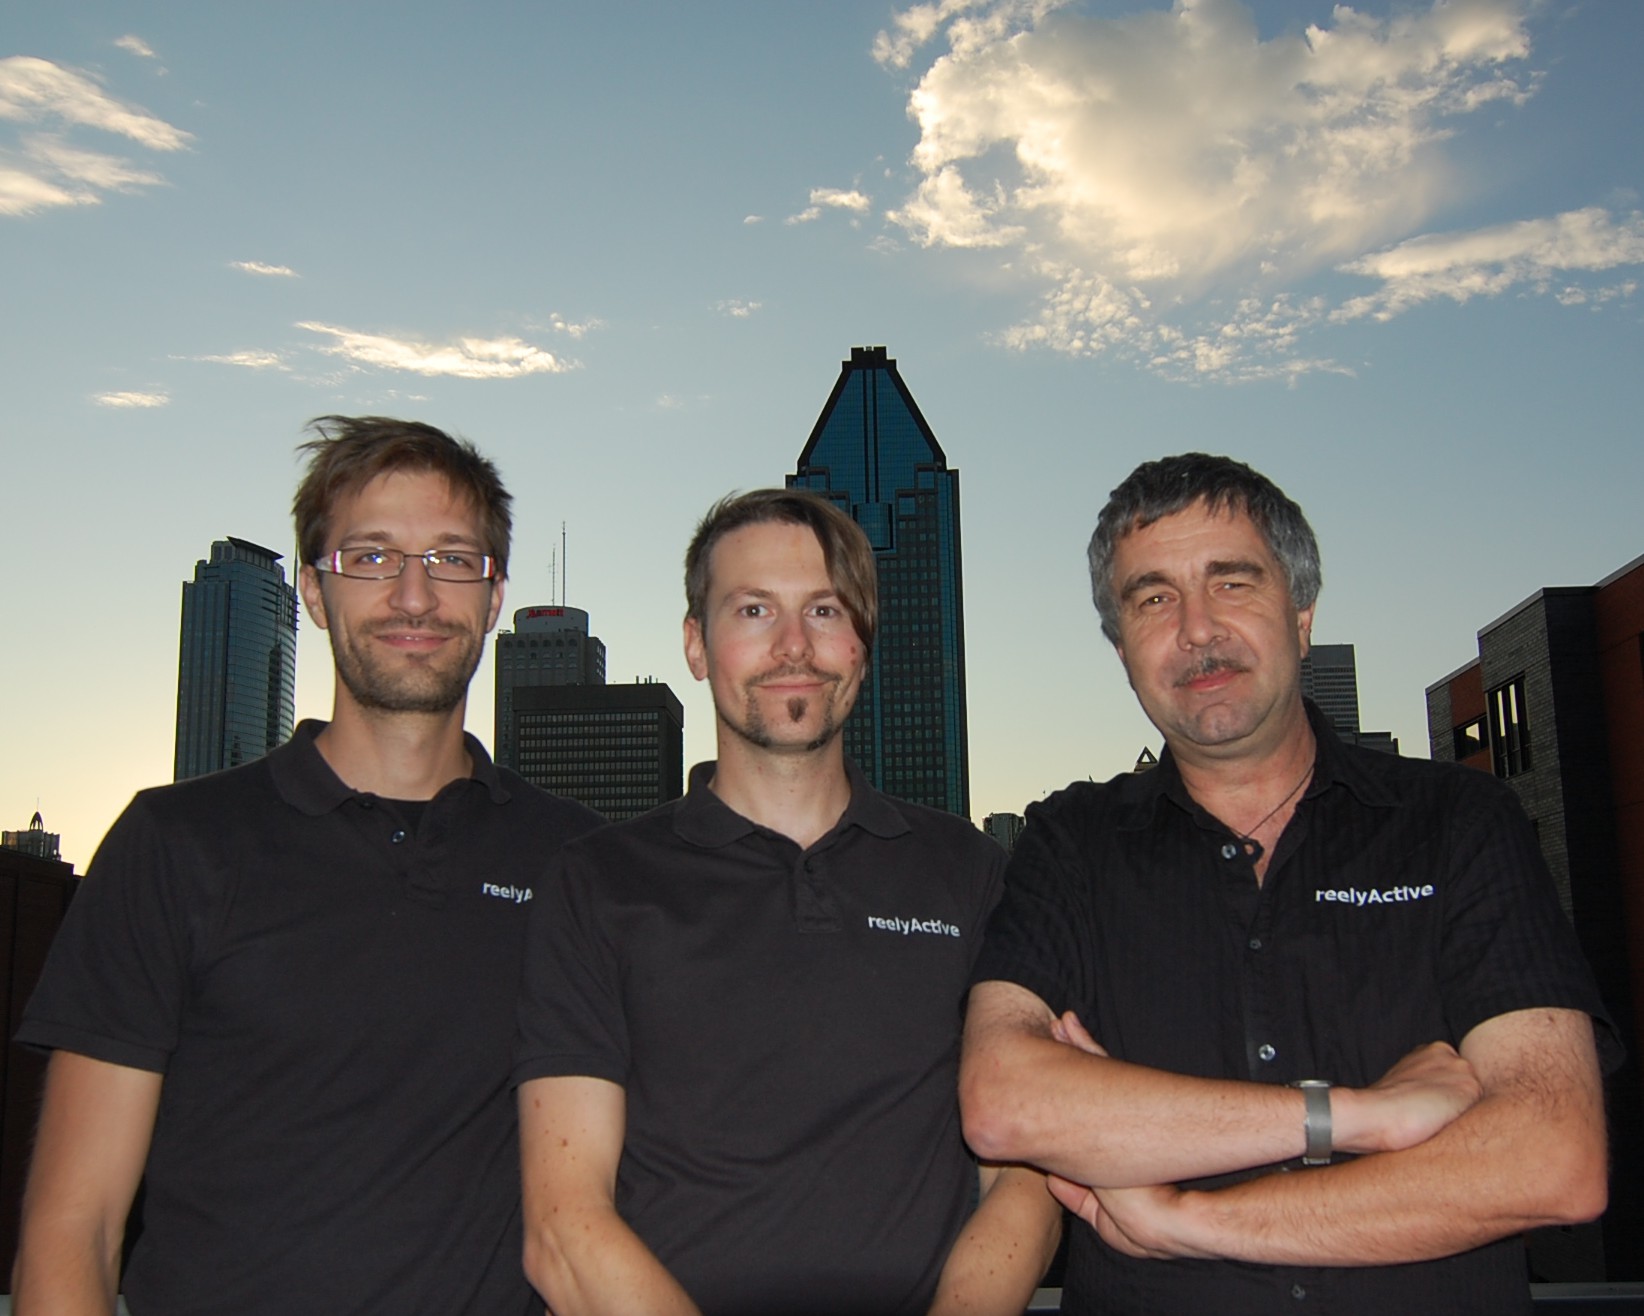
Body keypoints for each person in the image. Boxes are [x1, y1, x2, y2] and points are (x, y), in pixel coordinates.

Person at [959, 453, 1615, 1315]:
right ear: (1121, 650)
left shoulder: (1459, 822)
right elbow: (1003, 1102)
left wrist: (1187, 1219)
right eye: (1153, 600)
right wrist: (1356, 1116)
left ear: (1302, 616)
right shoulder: (1071, 843)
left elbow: (1553, 1158)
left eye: (1232, 583)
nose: (1197, 629)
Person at [12, 416, 602, 1315]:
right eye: (371, 557)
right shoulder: (174, 844)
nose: (414, 596)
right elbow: (73, 1230)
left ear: (493, 597)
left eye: (451, 559)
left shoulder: (575, 862)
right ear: (315, 593)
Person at [515, 489, 1060, 1315]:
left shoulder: (971, 873)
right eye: (754, 609)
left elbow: (1026, 1178)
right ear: (696, 645)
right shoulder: (597, 882)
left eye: (825, 610)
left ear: (862, 647)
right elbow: (564, 1225)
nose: (794, 644)